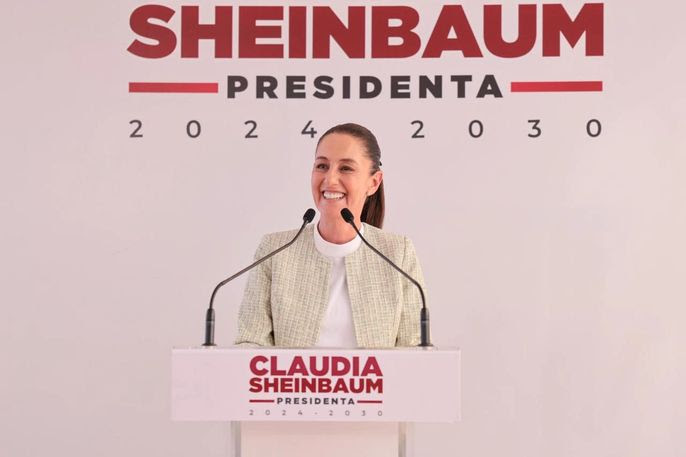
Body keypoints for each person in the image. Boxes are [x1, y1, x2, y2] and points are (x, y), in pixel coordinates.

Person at [235, 123, 426, 348]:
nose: (330, 179)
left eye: (345, 168)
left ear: (373, 182)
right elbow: (250, 344)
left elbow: (415, 351)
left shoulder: (398, 253)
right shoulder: (274, 250)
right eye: (322, 166)